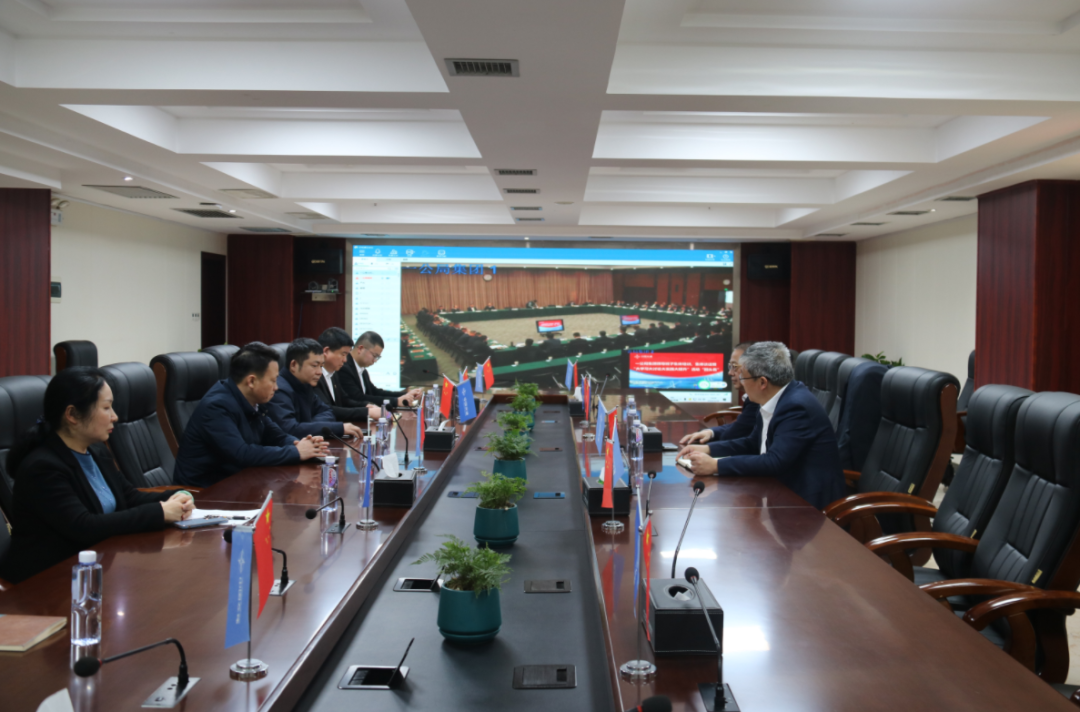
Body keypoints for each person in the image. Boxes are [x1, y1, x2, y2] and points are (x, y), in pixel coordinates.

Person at [1, 368, 195, 583]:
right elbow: (84, 527)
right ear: (72, 414)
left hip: (94, 568)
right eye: (106, 407)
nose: (115, 416)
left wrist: (177, 496)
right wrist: (159, 512)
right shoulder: (42, 468)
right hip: (46, 582)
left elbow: (129, 497)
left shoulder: (96, 451)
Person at [678, 342, 845, 509]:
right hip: (780, 490)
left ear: (762, 382)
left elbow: (775, 461)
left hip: (807, 505)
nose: (742, 383)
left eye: (743, 377)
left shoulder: (795, 407)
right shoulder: (775, 398)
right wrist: (708, 449)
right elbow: (752, 442)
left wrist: (715, 466)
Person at [174, 342, 327, 488]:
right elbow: (242, 454)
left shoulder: (251, 400)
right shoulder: (216, 407)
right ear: (251, 381)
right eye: (273, 381)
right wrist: (296, 452)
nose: (276, 387)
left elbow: (275, 435)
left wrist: (298, 444)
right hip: (205, 493)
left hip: (238, 484)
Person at [269, 339, 367, 439]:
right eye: (315, 366)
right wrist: (337, 428)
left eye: (321, 366)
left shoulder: (305, 383)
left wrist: (310, 426)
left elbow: (327, 411)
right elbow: (290, 429)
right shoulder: (278, 390)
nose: (319, 372)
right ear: (294, 365)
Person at [679, 343, 758, 446]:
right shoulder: (751, 397)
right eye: (730, 367)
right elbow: (737, 426)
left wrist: (707, 449)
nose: (730, 373)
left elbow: (732, 435)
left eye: (735, 366)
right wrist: (711, 432)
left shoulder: (758, 400)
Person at [336, 331, 424, 409]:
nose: (375, 360)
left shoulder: (362, 370)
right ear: (360, 349)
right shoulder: (344, 368)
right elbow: (358, 398)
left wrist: (405, 394)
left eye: (377, 357)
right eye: (374, 356)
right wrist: (396, 401)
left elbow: (374, 392)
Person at [314, 327, 383, 424]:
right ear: (326, 351)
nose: (345, 360)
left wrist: (366, 405)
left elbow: (345, 400)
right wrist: (366, 412)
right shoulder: (314, 376)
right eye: (343, 354)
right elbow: (326, 409)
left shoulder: (333, 374)